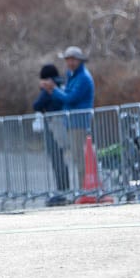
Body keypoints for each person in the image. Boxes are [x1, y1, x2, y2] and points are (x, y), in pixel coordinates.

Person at [40, 46, 95, 191]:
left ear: (79, 60)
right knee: (77, 158)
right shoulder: (73, 75)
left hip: (79, 122)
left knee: (80, 158)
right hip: (72, 122)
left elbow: (70, 97)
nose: (70, 62)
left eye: (73, 59)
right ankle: (83, 189)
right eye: (68, 59)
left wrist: (53, 90)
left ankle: (85, 190)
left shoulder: (83, 77)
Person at [33, 64, 70, 206]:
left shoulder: (50, 88)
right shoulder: (63, 84)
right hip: (62, 125)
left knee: (57, 160)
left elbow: (37, 105)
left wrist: (43, 89)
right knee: (61, 160)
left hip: (53, 125)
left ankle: (62, 191)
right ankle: (64, 190)